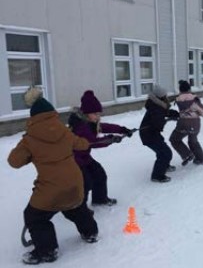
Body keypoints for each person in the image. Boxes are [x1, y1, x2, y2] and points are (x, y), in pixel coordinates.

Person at [8, 87, 98, 265]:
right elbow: (82, 145)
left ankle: (47, 251)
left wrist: (29, 150)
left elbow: (14, 161)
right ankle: (90, 232)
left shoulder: (30, 139)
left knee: (35, 217)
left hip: (51, 189)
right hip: (75, 182)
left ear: (33, 118)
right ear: (52, 113)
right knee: (74, 205)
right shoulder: (64, 132)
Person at [68, 90, 134, 207]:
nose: (98, 116)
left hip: (84, 156)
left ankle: (100, 199)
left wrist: (122, 129)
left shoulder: (89, 122)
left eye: (99, 113)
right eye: (95, 114)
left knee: (99, 174)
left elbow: (103, 127)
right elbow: (93, 142)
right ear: (86, 113)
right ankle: (80, 210)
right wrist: (111, 139)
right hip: (74, 160)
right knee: (85, 183)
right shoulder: (81, 126)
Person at [139, 85, 180, 183]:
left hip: (152, 133)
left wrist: (174, 114)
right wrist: (168, 119)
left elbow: (164, 112)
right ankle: (157, 175)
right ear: (161, 96)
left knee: (162, 151)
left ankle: (164, 166)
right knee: (165, 153)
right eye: (165, 95)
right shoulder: (156, 107)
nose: (167, 96)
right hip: (148, 134)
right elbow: (158, 123)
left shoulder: (157, 104)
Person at [169, 80, 203, 165]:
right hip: (194, 124)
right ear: (189, 89)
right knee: (193, 141)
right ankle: (200, 159)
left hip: (182, 124)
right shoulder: (194, 100)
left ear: (180, 90)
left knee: (174, 139)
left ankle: (187, 154)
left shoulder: (178, 100)